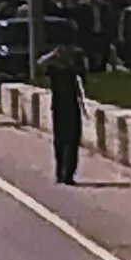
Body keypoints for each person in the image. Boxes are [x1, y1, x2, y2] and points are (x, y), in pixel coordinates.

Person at [38, 42, 86, 186]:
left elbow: (83, 75)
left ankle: (68, 173)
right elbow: (39, 64)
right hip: (59, 107)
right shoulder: (55, 69)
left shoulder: (72, 68)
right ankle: (61, 173)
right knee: (61, 141)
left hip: (71, 107)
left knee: (71, 141)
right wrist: (52, 55)